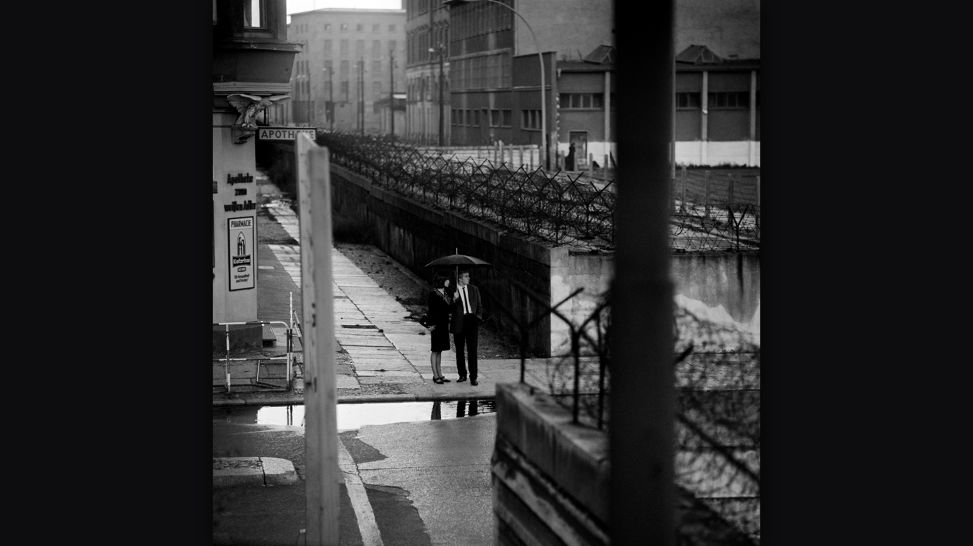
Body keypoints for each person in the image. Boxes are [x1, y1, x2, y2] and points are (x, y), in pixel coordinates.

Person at [451, 269, 483, 386]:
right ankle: (462, 375)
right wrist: (454, 300)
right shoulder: (453, 290)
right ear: (460, 279)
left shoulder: (474, 289)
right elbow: (449, 308)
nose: (468, 278)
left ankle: (473, 377)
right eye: (466, 276)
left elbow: (479, 305)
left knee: (472, 350)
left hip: (471, 320)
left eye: (468, 276)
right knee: (459, 350)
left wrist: (477, 318)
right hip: (459, 321)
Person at [426, 274, 453, 384]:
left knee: (440, 349)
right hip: (436, 325)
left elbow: (449, 308)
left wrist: (454, 299)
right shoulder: (434, 293)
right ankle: (435, 375)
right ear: (442, 281)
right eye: (447, 279)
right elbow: (431, 310)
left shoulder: (445, 293)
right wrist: (430, 325)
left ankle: (440, 374)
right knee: (435, 349)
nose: (449, 282)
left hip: (444, 324)